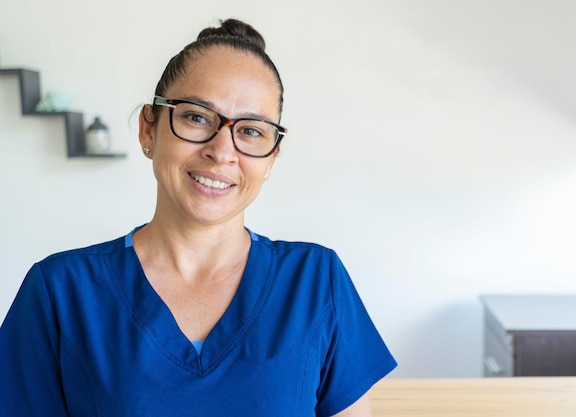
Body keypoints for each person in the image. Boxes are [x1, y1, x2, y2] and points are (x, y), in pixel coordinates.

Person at [0, 18, 396, 417]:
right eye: (196, 117)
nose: (222, 151)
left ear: (272, 158)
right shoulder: (60, 291)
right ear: (148, 130)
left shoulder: (315, 280)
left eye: (252, 131)